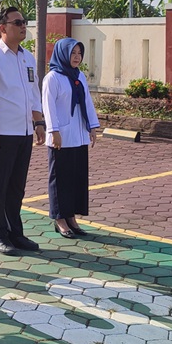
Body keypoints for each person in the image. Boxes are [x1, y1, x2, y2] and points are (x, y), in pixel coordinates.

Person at [0, 7, 45, 255]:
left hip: (24, 131)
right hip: (2, 131)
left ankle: (15, 233)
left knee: (17, 186)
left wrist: (38, 123)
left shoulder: (27, 57)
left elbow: (33, 93)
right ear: (2, 28)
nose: (23, 26)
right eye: (17, 22)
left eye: (24, 21)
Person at [42, 38, 100, 239]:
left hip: (79, 135)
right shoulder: (53, 78)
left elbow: (87, 102)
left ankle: (71, 217)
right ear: (62, 54)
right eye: (72, 53)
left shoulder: (79, 75)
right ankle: (60, 219)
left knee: (76, 178)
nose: (76, 57)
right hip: (61, 136)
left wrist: (92, 126)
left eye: (79, 53)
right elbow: (48, 107)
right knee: (60, 179)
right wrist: (53, 131)